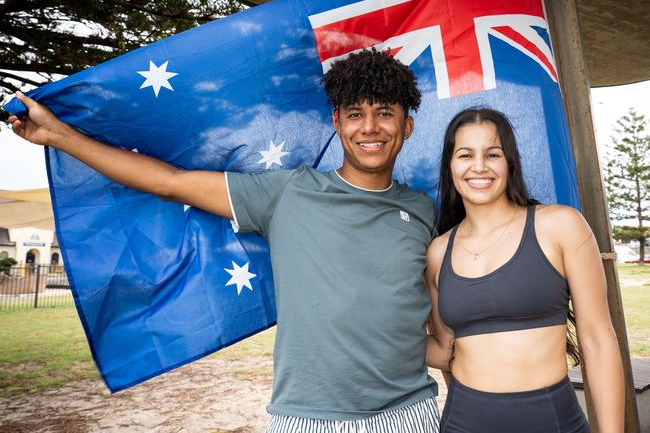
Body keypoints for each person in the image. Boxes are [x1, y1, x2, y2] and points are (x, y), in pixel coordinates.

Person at [10, 49, 449, 432]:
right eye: (355, 113)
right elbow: (171, 182)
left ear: (407, 126)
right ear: (337, 122)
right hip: (309, 416)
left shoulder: (426, 212)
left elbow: (437, 323)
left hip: (408, 413)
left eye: (385, 113)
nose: (370, 127)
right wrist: (57, 135)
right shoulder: (288, 193)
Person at [425, 107, 624, 432]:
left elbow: (598, 339)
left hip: (553, 422)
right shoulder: (438, 252)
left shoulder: (560, 226)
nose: (479, 166)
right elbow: (446, 350)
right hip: (463, 423)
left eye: (492, 154)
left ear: (510, 162)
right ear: (450, 166)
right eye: (465, 155)